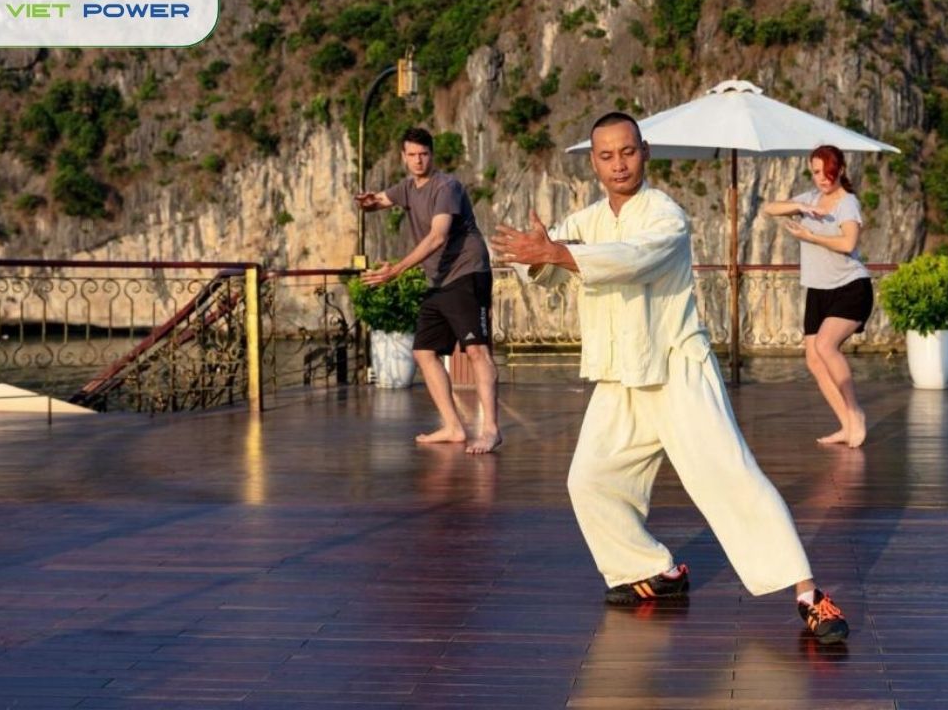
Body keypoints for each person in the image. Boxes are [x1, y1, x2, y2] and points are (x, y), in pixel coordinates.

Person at [491, 112, 849, 644]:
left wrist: (558, 253)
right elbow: (540, 266)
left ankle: (808, 595)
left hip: (678, 369)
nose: (618, 164)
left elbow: (631, 259)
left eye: (627, 152)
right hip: (621, 375)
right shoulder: (587, 220)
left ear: (645, 152)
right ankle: (651, 570)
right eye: (606, 156)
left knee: (731, 476)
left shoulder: (666, 215)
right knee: (590, 480)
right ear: (594, 163)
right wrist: (538, 254)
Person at [355, 127, 502, 455]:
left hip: (467, 272)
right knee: (423, 351)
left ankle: (491, 430)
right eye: (412, 155)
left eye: (423, 154)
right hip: (438, 280)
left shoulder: (446, 187)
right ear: (403, 157)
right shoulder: (407, 188)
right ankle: (453, 427)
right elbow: (379, 200)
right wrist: (367, 203)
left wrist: (396, 270)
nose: (418, 160)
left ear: (432, 155)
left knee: (476, 351)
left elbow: (438, 236)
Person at [763, 144, 873, 448]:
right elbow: (769, 208)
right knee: (814, 359)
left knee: (826, 345)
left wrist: (810, 236)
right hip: (818, 290)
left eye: (828, 171)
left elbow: (848, 243)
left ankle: (855, 413)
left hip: (850, 287)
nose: (822, 178)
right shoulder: (810, 198)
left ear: (840, 170)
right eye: (816, 172)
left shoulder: (847, 203)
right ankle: (846, 426)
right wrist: (802, 208)